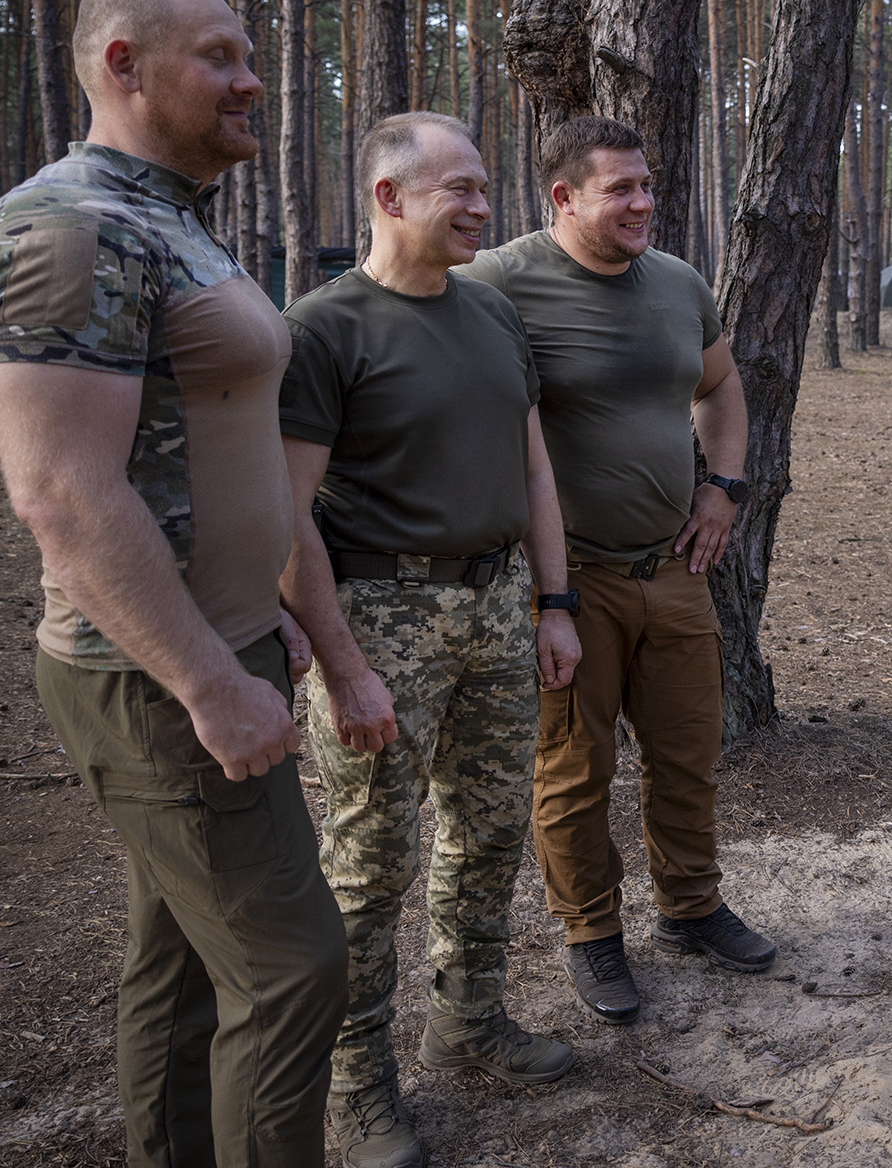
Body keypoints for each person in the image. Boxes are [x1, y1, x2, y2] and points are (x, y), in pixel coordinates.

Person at [0, 0, 347, 1166]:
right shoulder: (74, 225)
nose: (251, 79)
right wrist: (207, 679)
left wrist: (271, 618)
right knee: (296, 970)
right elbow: (60, 489)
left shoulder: (166, 219)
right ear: (122, 65)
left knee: (185, 960)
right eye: (217, 56)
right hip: (154, 673)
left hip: (220, 640)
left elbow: (223, 446)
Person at [278, 111, 583, 1168]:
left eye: (484, 186)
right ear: (387, 197)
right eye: (457, 188)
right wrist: (345, 666)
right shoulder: (325, 328)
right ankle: (356, 1087)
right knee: (369, 866)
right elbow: (287, 512)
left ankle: (472, 1019)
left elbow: (535, 468)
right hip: (380, 615)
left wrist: (554, 602)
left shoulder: (493, 314)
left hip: (498, 605)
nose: (480, 206)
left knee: (492, 829)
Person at [461, 115, 775, 1026]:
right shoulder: (499, 284)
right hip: (568, 582)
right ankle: (592, 934)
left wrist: (721, 487)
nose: (644, 203)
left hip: (673, 566)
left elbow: (718, 386)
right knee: (573, 766)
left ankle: (690, 907)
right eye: (621, 190)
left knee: (687, 753)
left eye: (648, 185)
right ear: (563, 196)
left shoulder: (678, 283)